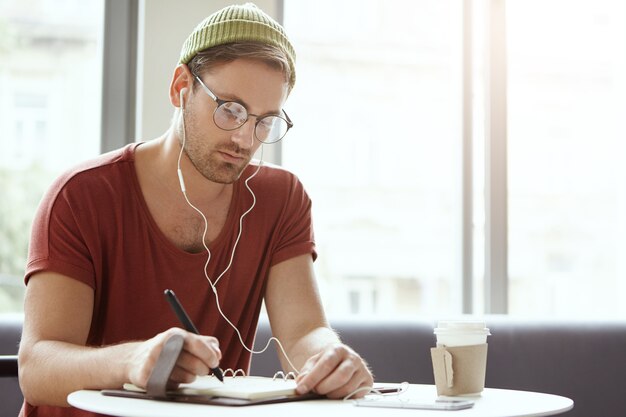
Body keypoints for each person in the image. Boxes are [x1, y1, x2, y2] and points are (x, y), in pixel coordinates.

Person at [17, 3, 373, 417]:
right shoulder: (80, 195)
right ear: (180, 86)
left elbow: (303, 334)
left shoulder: (281, 199)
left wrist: (330, 359)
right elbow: (37, 368)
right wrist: (132, 361)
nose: (244, 138)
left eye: (265, 121)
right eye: (231, 109)